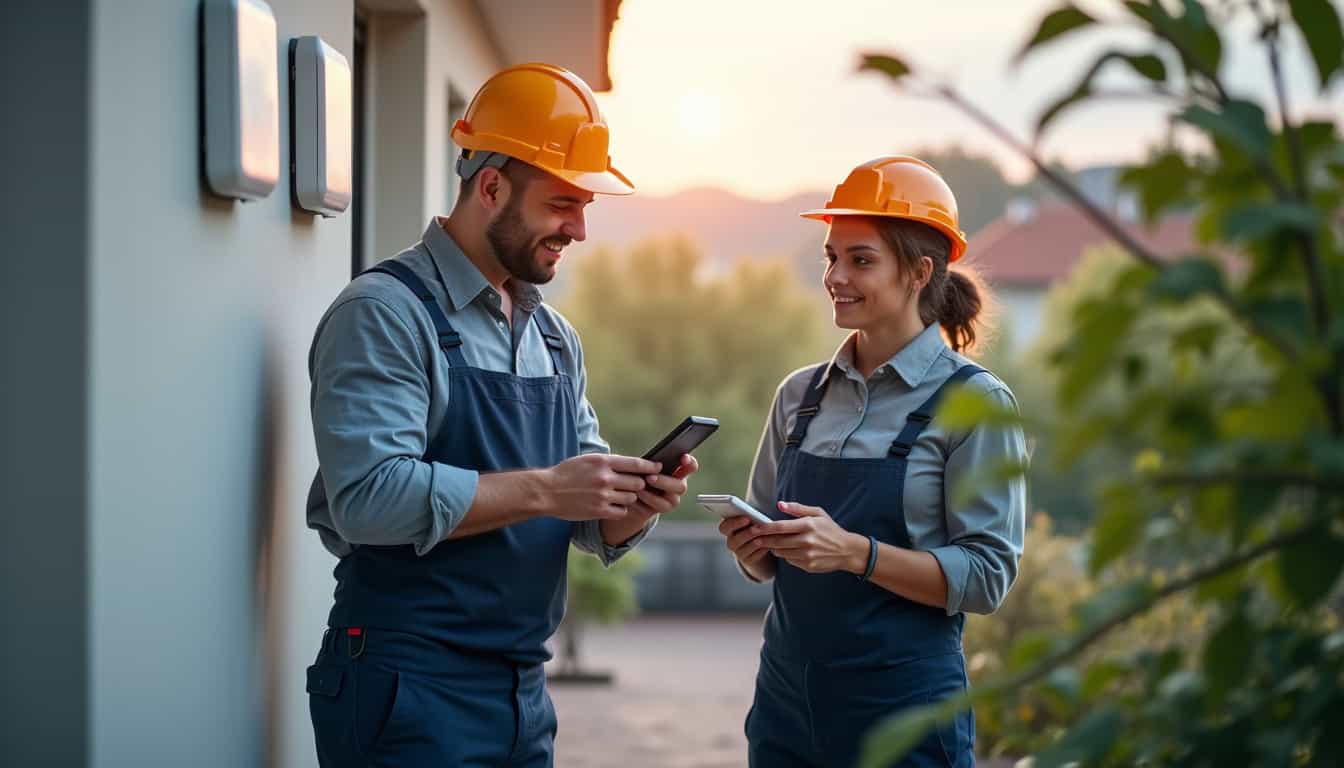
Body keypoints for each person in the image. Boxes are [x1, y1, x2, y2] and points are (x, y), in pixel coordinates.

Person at [303, 63, 698, 767]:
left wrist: (632, 503)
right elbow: (366, 500)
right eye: (562, 204)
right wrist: (547, 488)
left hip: (521, 691)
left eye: (586, 207)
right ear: (491, 187)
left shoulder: (553, 337)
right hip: (404, 682)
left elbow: (585, 517)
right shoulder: (384, 313)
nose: (578, 228)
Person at [719, 156, 1028, 767]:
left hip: (905, 713)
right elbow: (767, 564)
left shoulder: (976, 403)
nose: (836, 275)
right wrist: (751, 549)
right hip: (787, 704)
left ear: (919, 271)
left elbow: (987, 576)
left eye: (861, 260)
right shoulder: (798, 396)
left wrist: (855, 553)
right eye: (831, 257)